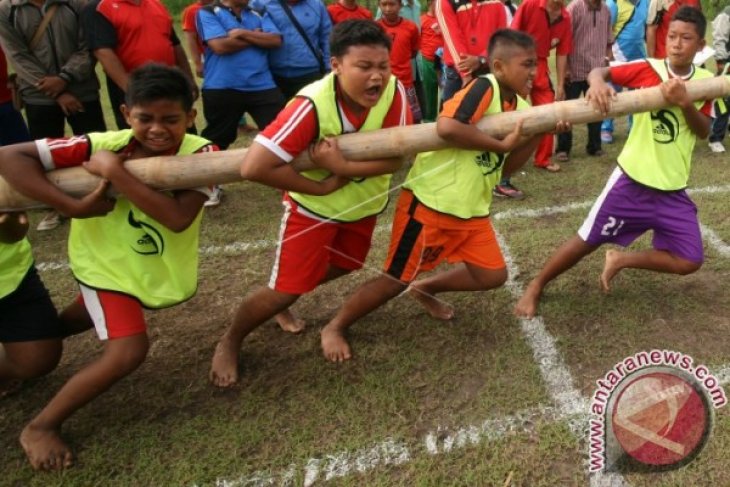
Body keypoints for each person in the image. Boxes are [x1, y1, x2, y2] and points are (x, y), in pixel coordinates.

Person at [0, 64, 218, 470]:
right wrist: (72, 206)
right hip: (104, 265)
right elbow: (11, 156)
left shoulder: (201, 153)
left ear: (190, 116)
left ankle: (30, 343)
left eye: (171, 119)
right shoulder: (103, 143)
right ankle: (41, 426)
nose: (157, 129)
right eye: (144, 118)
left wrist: (116, 172)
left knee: (61, 329)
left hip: (146, 268)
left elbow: (177, 218)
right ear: (125, 113)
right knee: (128, 350)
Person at [318, 29, 570, 362]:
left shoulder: (520, 106)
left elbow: (505, 167)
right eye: (526, 64)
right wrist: (499, 143)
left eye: (534, 64)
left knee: (492, 274)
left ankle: (426, 288)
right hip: (431, 203)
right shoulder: (485, 86)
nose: (534, 72)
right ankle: (335, 325)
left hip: (470, 210)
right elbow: (447, 127)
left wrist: (536, 136)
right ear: (499, 65)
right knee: (395, 278)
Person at [209, 19, 412, 387]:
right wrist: (320, 188)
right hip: (313, 210)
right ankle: (232, 338)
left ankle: (286, 296)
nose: (377, 77)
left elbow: (397, 157)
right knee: (285, 288)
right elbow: (254, 166)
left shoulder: (395, 91)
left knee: (348, 264)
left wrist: (341, 166)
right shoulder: (311, 105)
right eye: (363, 67)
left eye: (382, 66)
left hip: (364, 205)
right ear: (336, 65)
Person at [514, 7, 724, 319]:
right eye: (673, 36)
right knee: (586, 240)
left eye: (686, 38)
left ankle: (621, 259)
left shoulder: (707, 81)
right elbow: (602, 71)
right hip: (632, 182)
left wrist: (684, 102)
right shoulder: (649, 68)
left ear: (699, 44)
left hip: (672, 189)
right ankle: (537, 284)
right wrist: (597, 82)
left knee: (690, 259)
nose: (677, 43)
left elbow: (704, 130)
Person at [0, 0, 106, 231]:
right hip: (38, 94)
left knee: (94, 144)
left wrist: (65, 79)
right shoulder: (7, 9)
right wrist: (55, 91)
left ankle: (105, 196)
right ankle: (55, 207)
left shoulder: (77, 4)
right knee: (44, 154)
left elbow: (87, 47)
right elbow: (18, 56)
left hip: (82, 89)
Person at [82, 0, 197, 131]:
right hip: (133, 87)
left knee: (184, 134)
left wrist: (189, 80)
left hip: (170, 83)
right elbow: (102, 51)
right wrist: (132, 89)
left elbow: (174, 44)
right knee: (144, 139)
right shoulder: (99, 7)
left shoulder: (156, 4)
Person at [196, 0, 285, 150]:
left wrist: (242, 33)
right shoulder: (208, 12)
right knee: (217, 139)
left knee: (282, 133)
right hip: (222, 85)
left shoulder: (259, 12)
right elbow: (220, 46)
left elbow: (275, 40)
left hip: (262, 85)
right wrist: (256, 37)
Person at [509, 0, 572, 177]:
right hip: (520, 62)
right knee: (513, 111)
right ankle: (508, 157)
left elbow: (562, 52)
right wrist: (516, 68)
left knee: (548, 112)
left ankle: (543, 159)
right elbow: (511, 36)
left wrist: (560, 84)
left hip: (541, 65)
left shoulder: (566, 17)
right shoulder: (530, 5)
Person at [555, 0, 612, 161]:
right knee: (566, 110)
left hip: (596, 71)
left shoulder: (606, 10)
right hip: (574, 70)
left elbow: (609, 40)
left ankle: (595, 146)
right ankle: (563, 149)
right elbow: (565, 40)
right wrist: (565, 69)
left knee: (598, 108)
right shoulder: (574, 8)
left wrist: (607, 60)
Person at [250, 0, 332, 100]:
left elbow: (327, 37)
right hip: (274, 76)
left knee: (310, 112)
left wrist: (329, 68)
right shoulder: (263, 4)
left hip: (309, 74)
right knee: (279, 114)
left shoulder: (316, 5)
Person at [435, 0, 506, 104]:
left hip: (490, 68)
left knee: (497, 115)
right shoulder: (445, 2)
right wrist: (466, 75)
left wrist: (482, 59)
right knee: (454, 118)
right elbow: (452, 39)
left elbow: (502, 37)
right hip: (459, 74)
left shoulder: (497, 2)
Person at [601, 0, 649, 144]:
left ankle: (634, 128)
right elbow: (606, 32)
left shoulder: (646, 3)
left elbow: (646, 28)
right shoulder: (613, 4)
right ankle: (606, 128)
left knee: (637, 95)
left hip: (638, 57)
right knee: (612, 93)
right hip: (617, 57)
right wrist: (607, 55)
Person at [377, 0, 421, 122]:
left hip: (405, 81)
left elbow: (414, 51)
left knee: (412, 117)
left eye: (391, 4)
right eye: (384, 4)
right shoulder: (375, 28)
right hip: (382, 82)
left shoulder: (411, 27)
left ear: (400, 6)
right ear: (379, 6)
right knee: (383, 116)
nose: (387, 8)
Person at [708, 6, 729, 154]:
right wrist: (721, 63)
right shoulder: (726, 14)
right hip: (727, 63)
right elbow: (719, 38)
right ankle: (715, 138)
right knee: (724, 102)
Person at [418, 0, 443, 122]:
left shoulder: (445, 17)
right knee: (429, 92)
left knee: (446, 91)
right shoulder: (422, 19)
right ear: (430, 4)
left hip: (444, 62)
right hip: (427, 60)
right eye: (436, 2)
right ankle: (429, 119)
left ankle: (445, 118)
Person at [182, 0, 214, 78]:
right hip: (207, 57)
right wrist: (198, 64)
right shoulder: (192, 11)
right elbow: (190, 39)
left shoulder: (222, 8)